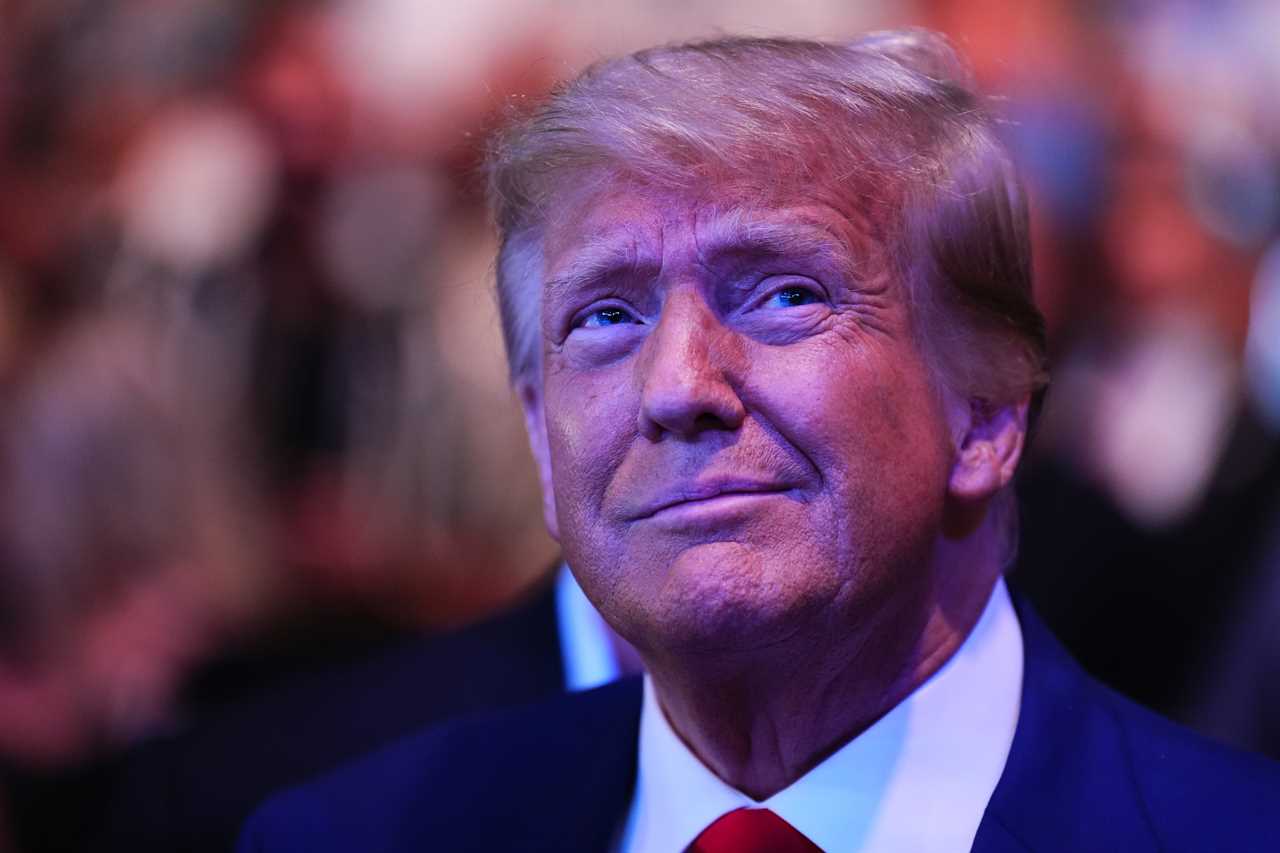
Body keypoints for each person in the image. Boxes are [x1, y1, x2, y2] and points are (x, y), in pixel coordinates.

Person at [238, 29, 1280, 852]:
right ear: (537, 438)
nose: (677, 388)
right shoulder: (344, 834)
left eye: (784, 294)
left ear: (989, 413)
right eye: (604, 317)